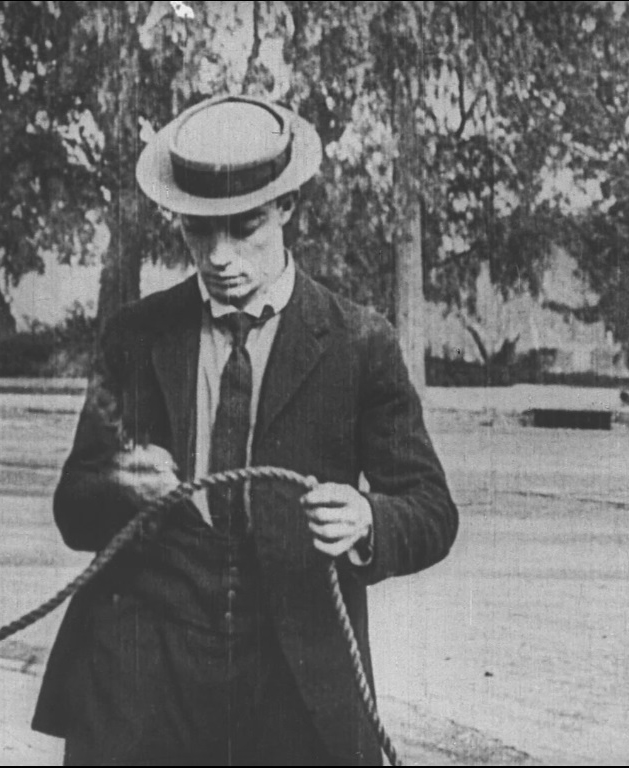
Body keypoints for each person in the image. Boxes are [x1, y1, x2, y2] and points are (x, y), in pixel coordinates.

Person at [32, 94, 459, 766]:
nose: (219, 256)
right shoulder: (136, 336)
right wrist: (120, 488)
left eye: (244, 227)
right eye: (198, 231)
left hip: (294, 670)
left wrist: (368, 520)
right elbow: (73, 510)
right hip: (146, 669)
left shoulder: (359, 343)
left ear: (287, 206)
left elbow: (431, 510)